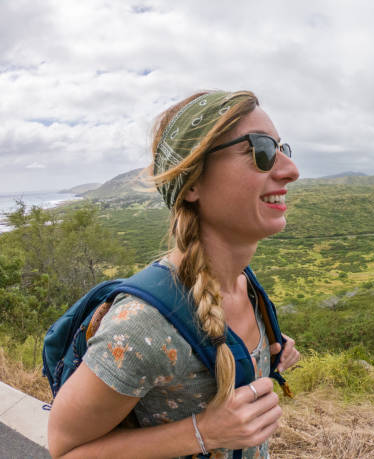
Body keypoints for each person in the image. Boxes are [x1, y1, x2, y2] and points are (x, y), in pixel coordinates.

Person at [48, 90, 301, 458]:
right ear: (193, 182)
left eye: (283, 150)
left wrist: (265, 351)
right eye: (260, 150)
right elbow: (65, 450)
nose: (291, 171)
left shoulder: (244, 287)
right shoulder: (141, 327)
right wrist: (203, 433)